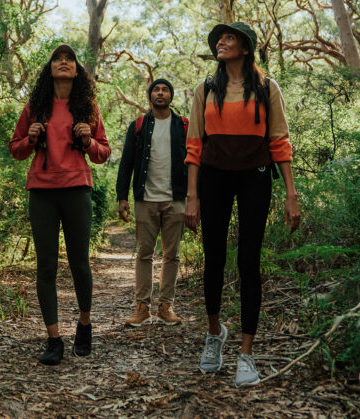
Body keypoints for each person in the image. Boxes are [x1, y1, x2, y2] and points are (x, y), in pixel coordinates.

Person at [183, 22, 301, 388]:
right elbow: (194, 146)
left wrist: (291, 194)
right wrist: (192, 195)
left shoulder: (267, 88)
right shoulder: (206, 89)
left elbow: (280, 140)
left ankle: (246, 352)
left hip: (255, 175)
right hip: (214, 177)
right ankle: (215, 333)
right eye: (219, 38)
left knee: (249, 260)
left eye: (229, 37)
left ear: (246, 47)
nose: (221, 41)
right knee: (214, 256)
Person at [9, 44, 110, 365]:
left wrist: (88, 139)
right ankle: (54, 339)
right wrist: (31, 138)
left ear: (78, 69)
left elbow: (103, 153)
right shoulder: (35, 106)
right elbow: (16, 149)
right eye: (57, 58)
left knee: (80, 263)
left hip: (77, 190)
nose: (63, 62)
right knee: (47, 266)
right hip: (41, 192)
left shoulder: (89, 108)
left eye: (69, 59)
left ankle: (84, 325)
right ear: (49, 68)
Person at [115, 78, 189, 327]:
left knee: (172, 255)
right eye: (156, 89)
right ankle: (142, 308)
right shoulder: (138, 125)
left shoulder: (183, 125)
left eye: (165, 89)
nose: (160, 93)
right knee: (144, 254)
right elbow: (126, 163)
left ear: (171, 95)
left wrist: (195, 197)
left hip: (176, 199)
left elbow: (195, 160)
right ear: (150, 96)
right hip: (145, 199)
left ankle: (165, 307)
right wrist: (122, 197)